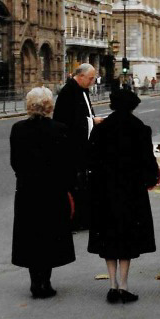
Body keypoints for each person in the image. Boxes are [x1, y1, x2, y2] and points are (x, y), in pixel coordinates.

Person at [88, 87, 160, 303]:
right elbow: (148, 160)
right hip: (130, 191)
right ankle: (124, 285)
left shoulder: (101, 129)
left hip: (105, 190)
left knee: (109, 236)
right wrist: (149, 180)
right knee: (126, 236)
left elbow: (91, 160)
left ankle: (111, 285)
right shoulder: (139, 128)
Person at [10, 87, 76, 298]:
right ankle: (45, 282)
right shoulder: (60, 129)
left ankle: (34, 281)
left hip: (28, 190)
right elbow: (67, 164)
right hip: (52, 191)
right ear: (49, 106)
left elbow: (15, 162)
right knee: (49, 234)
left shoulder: (18, 129)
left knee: (30, 234)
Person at [53, 63, 104, 229]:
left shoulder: (82, 90)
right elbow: (66, 121)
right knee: (76, 184)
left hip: (83, 145)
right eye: (90, 78)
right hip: (73, 147)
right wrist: (92, 121)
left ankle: (85, 217)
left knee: (84, 183)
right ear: (80, 76)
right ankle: (76, 219)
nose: (92, 81)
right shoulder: (68, 92)